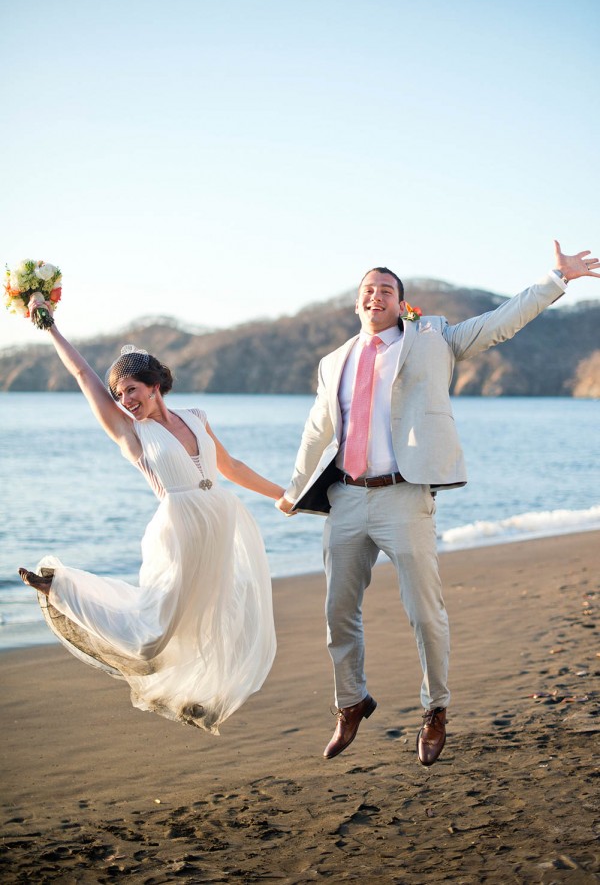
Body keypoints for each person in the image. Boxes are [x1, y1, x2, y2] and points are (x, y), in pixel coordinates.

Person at [276, 240, 599, 765]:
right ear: (357, 304)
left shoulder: (433, 338)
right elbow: (317, 430)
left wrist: (555, 281)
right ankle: (351, 701)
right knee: (338, 612)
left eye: (386, 289)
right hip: (346, 498)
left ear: (401, 304)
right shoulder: (333, 361)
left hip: (404, 495)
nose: (375, 296)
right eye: (367, 290)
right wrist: (294, 490)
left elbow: (500, 322)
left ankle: (436, 709)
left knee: (425, 613)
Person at [18, 301, 284, 734]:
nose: (125, 401)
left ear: (155, 384)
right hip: (179, 532)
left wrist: (284, 495)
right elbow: (83, 375)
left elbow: (230, 467)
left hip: (222, 522)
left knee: (227, 616)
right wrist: (50, 327)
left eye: (131, 390)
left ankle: (203, 699)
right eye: (119, 394)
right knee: (154, 637)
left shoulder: (196, 418)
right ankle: (63, 588)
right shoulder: (131, 433)